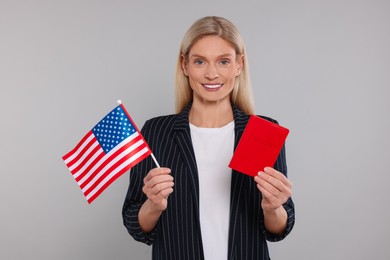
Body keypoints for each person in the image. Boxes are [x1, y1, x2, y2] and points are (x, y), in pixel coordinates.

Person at [122, 16, 295, 260]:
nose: (211, 74)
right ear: (185, 65)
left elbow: (278, 228)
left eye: (223, 61)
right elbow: (135, 223)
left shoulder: (262, 131)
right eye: (200, 61)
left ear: (238, 65)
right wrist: (153, 205)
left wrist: (273, 207)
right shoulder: (156, 131)